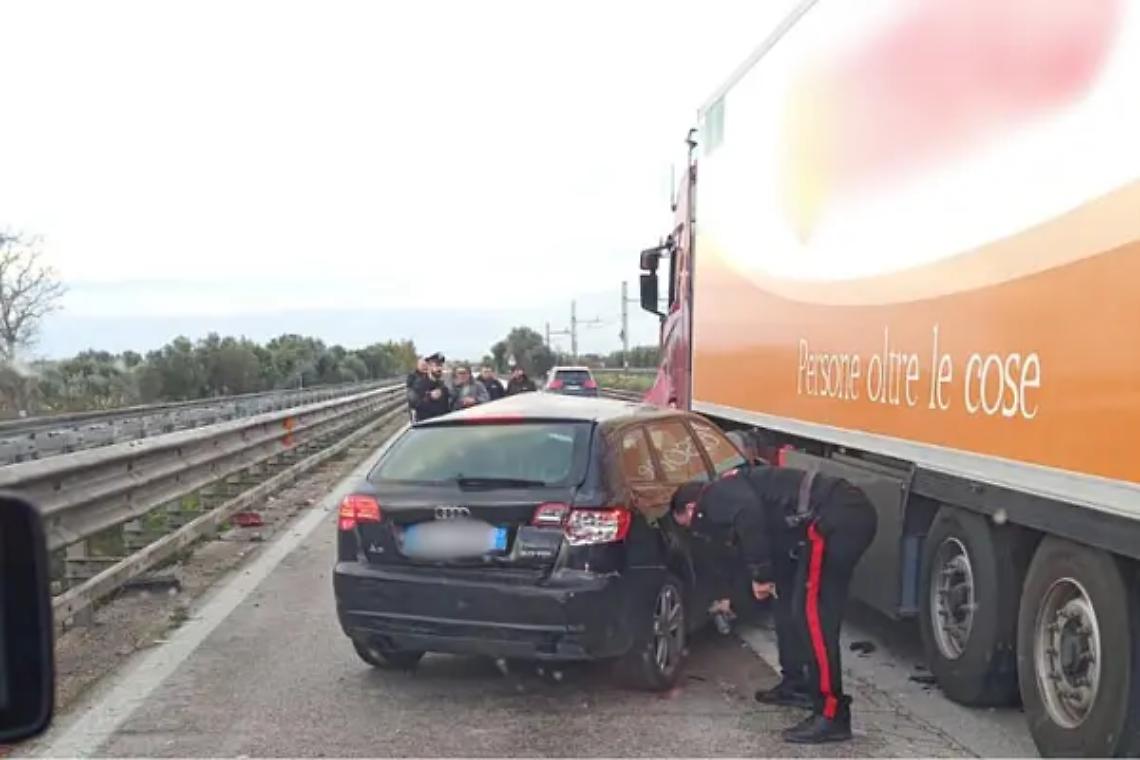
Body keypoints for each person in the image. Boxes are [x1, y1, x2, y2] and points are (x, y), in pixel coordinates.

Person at [673, 461, 877, 743]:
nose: (698, 530)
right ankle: (797, 684)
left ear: (691, 509)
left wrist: (761, 575)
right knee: (789, 605)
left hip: (835, 517)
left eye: (690, 524)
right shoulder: (742, 491)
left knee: (813, 616)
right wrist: (742, 595)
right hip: (831, 517)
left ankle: (832, 713)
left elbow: (749, 516)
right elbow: (765, 540)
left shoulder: (717, 494)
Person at [410, 353, 450, 421]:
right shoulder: (419, 384)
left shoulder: (443, 386)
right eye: (436, 365)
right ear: (429, 366)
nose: (439, 368)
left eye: (441, 365)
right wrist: (429, 397)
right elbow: (415, 404)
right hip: (426, 426)